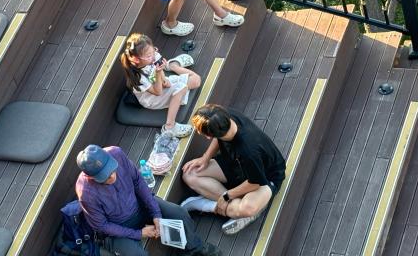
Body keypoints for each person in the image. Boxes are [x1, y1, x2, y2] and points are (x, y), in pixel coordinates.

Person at [76, 144, 220, 256]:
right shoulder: (86, 193)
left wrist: (156, 214)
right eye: (105, 177)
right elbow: (102, 226)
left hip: (140, 206)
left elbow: (138, 182)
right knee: (137, 254)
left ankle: (192, 249)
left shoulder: (117, 153)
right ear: (91, 177)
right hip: (118, 226)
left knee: (180, 213)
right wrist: (139, 234)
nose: (112, 177)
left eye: (112, 170)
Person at [180, 104, 286, 235]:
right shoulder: (223, 116)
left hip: (266, 177)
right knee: (190, 173)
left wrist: (227, 196)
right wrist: (205, 157)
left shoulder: (248, 151)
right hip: (234, 164)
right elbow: (219, 136)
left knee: (248, 209)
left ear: (208, 136)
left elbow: (255, 182)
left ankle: (205, 205)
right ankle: (235, 209)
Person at [121, 33, 201, 138]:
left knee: (196, 80)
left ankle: (172, 66)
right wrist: (159, 74)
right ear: (136, 59)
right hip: (152, 98)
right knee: (182, 88)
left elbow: (158, 67)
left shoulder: (153, 56)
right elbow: (157, 92)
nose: (153, 56)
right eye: (149, 55)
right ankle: (169, 126)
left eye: (153, 51)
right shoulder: (138, 77)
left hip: (159, 83)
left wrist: (163, 79)